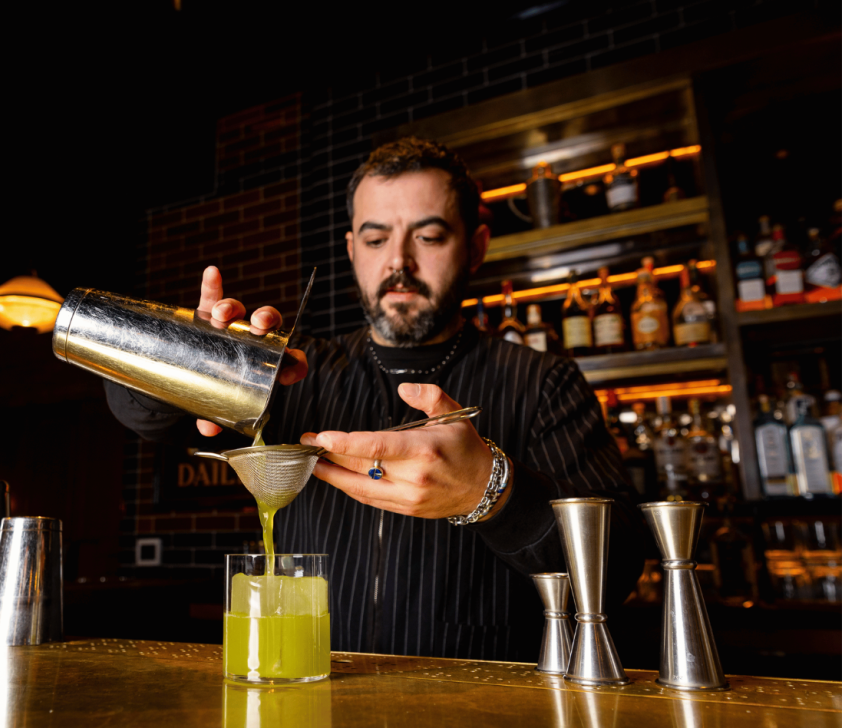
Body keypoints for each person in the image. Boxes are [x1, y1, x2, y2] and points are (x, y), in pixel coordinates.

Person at [106, 137, 643, 662]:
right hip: (315, 694)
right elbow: (144, 416)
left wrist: (492, 491)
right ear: (351, 250)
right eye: (376, 239)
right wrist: (184, 357)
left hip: (483, 710)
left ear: (476, 246)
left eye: (429, 237)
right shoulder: (293, 372)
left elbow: (617, 566)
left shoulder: (543, 381)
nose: (399, 263)